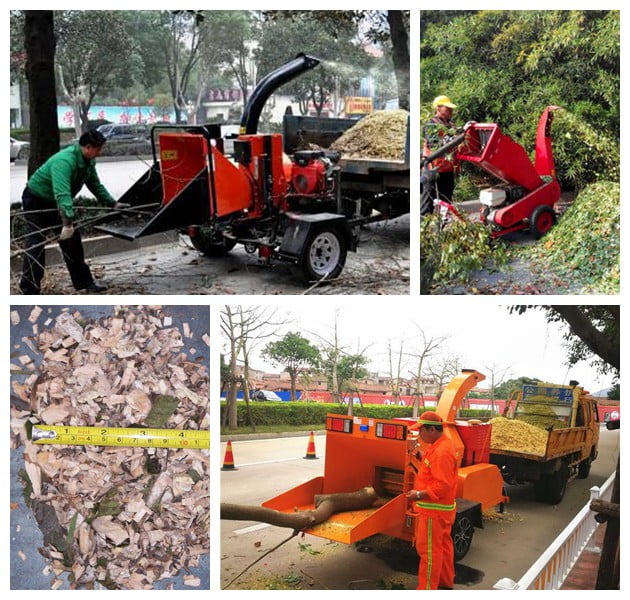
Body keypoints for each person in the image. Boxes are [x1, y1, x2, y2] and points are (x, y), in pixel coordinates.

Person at [19, 129, 124, 294]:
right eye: (98, 149)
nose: (99, 153)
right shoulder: (64, 161)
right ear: (88, 147)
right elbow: (62, 194)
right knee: (35, 244)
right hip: (36, 200)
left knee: (73, 243)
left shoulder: (88, 162)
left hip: (56, 202)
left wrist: (112, 204)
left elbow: (95, 185)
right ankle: (29, 290)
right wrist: (67, 222)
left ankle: (84, 283)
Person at [406, 411, 458, 590]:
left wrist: (418, 495)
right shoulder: (441, 445)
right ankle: (444, 583)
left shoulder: (442, 452)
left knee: (429, 553)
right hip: (442, 510)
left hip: (433, 512)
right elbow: (433, 468)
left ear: (431, 430)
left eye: (421, 430)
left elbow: (442, 485)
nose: (419, 434)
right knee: (443, 548)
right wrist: (419, 455)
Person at [423, 95, 458, 202]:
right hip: (434, 168)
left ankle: (444, 218)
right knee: (428, 200)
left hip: (448, 169)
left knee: (446, 200)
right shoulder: (431, 124)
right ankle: (424, 217)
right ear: (438, 108)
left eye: (451, 108)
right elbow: (433, 144)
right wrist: (450, 140)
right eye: (447, 108)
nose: (450, 110)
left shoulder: (451, 125)